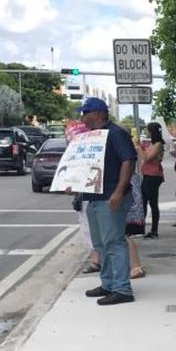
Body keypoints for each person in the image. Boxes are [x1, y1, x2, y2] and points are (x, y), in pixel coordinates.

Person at [78, 97, 138, 305]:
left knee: (113, 242)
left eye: (86, 113)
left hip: (110, 196)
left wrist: (119, 192)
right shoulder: (91, 137)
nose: (83, 117)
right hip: (94, 197)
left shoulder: (116, 133)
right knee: (100, 244)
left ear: (97, 114)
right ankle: (108, 283)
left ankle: (122, 288)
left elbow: (128, 161)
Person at [139, 122, 165, 238]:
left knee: (152, 202)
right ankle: (140, 227)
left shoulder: (158, 144)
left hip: (153, 176)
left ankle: (154, 230)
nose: (147, 132)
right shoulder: (152, 144)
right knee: (143, 202)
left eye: (148, 130)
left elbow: (147, 158)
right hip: (147, 175)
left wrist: (139, 148)